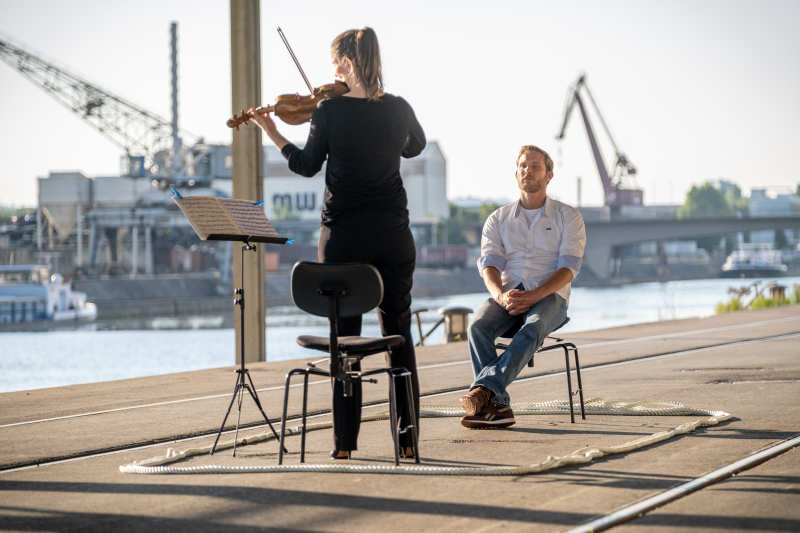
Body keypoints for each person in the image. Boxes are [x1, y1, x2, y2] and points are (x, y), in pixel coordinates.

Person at [251, 27, 425, 459]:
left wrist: (270, 130)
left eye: (336, 62)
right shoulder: (399, 107)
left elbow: (307, 166)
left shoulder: (328, 111)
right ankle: (406, 442)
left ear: (346, 61)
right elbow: (415, 147)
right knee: (398, 336)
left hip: (344, 240)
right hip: (393, 238)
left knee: (345, 342)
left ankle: (345, 445)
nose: (332, 71)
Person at [459, 145, 586, 429]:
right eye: (522, 166)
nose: (527, 171)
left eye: (535, 166)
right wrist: (500, 296)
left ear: (549, 175)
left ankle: (484, 392)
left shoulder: (568, 216)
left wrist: (534, 295)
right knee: (477, 325)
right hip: (508, 296)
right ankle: (498, 406)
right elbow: (489, 264)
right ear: (516, 173)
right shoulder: (498, 218)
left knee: (532, 327)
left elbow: (569, 269)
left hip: (550, 297)